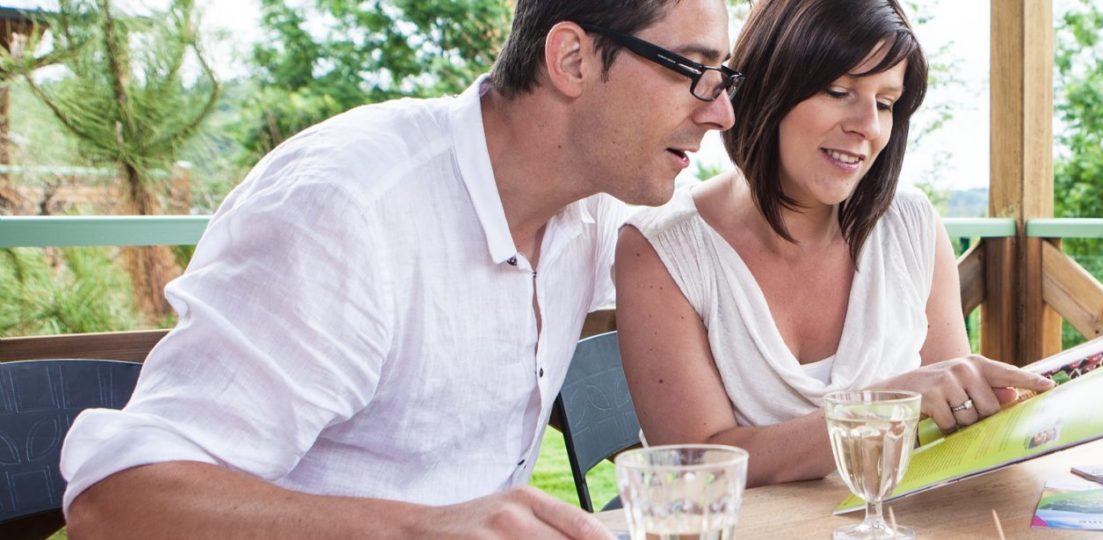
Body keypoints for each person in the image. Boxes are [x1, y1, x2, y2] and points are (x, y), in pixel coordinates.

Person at [59, 1, 736, 537]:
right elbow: (117, 503)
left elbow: (742, 248)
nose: (721, 110)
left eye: (726, 78)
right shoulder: (346, 211)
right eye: (694, 70)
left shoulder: (589, 214)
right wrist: (419, 529)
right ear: (572, 58)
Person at [615, 0, 1054, 488]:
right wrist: (883, 408)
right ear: (767, 87)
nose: (866, 125)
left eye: (885, 103)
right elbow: (699, 464)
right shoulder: (660, 251)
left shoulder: (910, 225)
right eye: (839, 90)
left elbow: (952, 424)